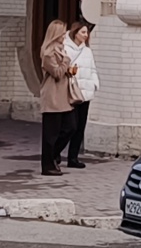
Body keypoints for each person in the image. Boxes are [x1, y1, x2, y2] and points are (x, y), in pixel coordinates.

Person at [38, 18, 74, 176]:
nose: (65, 35)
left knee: (70, 127)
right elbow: (57, 73)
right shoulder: (48, 53)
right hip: (52, 96)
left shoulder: (61, 49)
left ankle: (54, 155)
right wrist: (66, 61)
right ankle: (47, 165)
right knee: (51, 134)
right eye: (63, 32)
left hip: (63, 96)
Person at [65, 20, 98, 169]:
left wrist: (94, 84)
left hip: (85, 93)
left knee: (80, 127)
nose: (85, 35)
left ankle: (73, 157)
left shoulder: (87, 50)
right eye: (82, 32)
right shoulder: (66, 49)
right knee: (69, 126)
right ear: (75, 33)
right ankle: (56, 152)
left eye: (87, 32)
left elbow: (92, 69)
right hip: (71, 92)